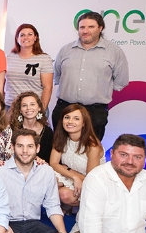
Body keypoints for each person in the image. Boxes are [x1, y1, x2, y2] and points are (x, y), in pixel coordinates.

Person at [53, 11, 129, 140]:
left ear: (100, 28)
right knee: (59, 147)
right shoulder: (66, 50)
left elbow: (120, 81)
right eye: (82, 27)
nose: (85, 31)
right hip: (65, 109)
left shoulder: (114, 52)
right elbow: (58, 75)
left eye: (91, 27)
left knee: (91, 150)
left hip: (94, 112)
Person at [49, 103, 104, 208]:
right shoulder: (61, 137)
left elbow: (91, 178)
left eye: (76, 119)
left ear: (84, 123)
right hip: (71, 177)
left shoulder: (92, 145)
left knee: (64, 194)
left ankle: (86, 207)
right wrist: (73, 176)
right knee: (46, 180)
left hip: (89, 183)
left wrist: (68, 170)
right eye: (67, 117)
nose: (70, 121)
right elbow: (53, 163)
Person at [4, 24, 53, 110]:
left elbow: (47, 88)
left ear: (35, 38)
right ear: (17, 38)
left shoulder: (44, 59)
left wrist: (41, 110)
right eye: (22, 35)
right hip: (10, 107)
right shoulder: (8, 57)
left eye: (30, 34)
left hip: (33, 109)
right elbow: (2, 83)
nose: (26, 37)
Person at [8, 91, 53, 162]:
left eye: (32, 104)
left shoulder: (48, 132)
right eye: (24, 105)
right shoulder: (12, 129)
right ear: (20, 110)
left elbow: (49, 158)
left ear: (39, 108)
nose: (28, 108)